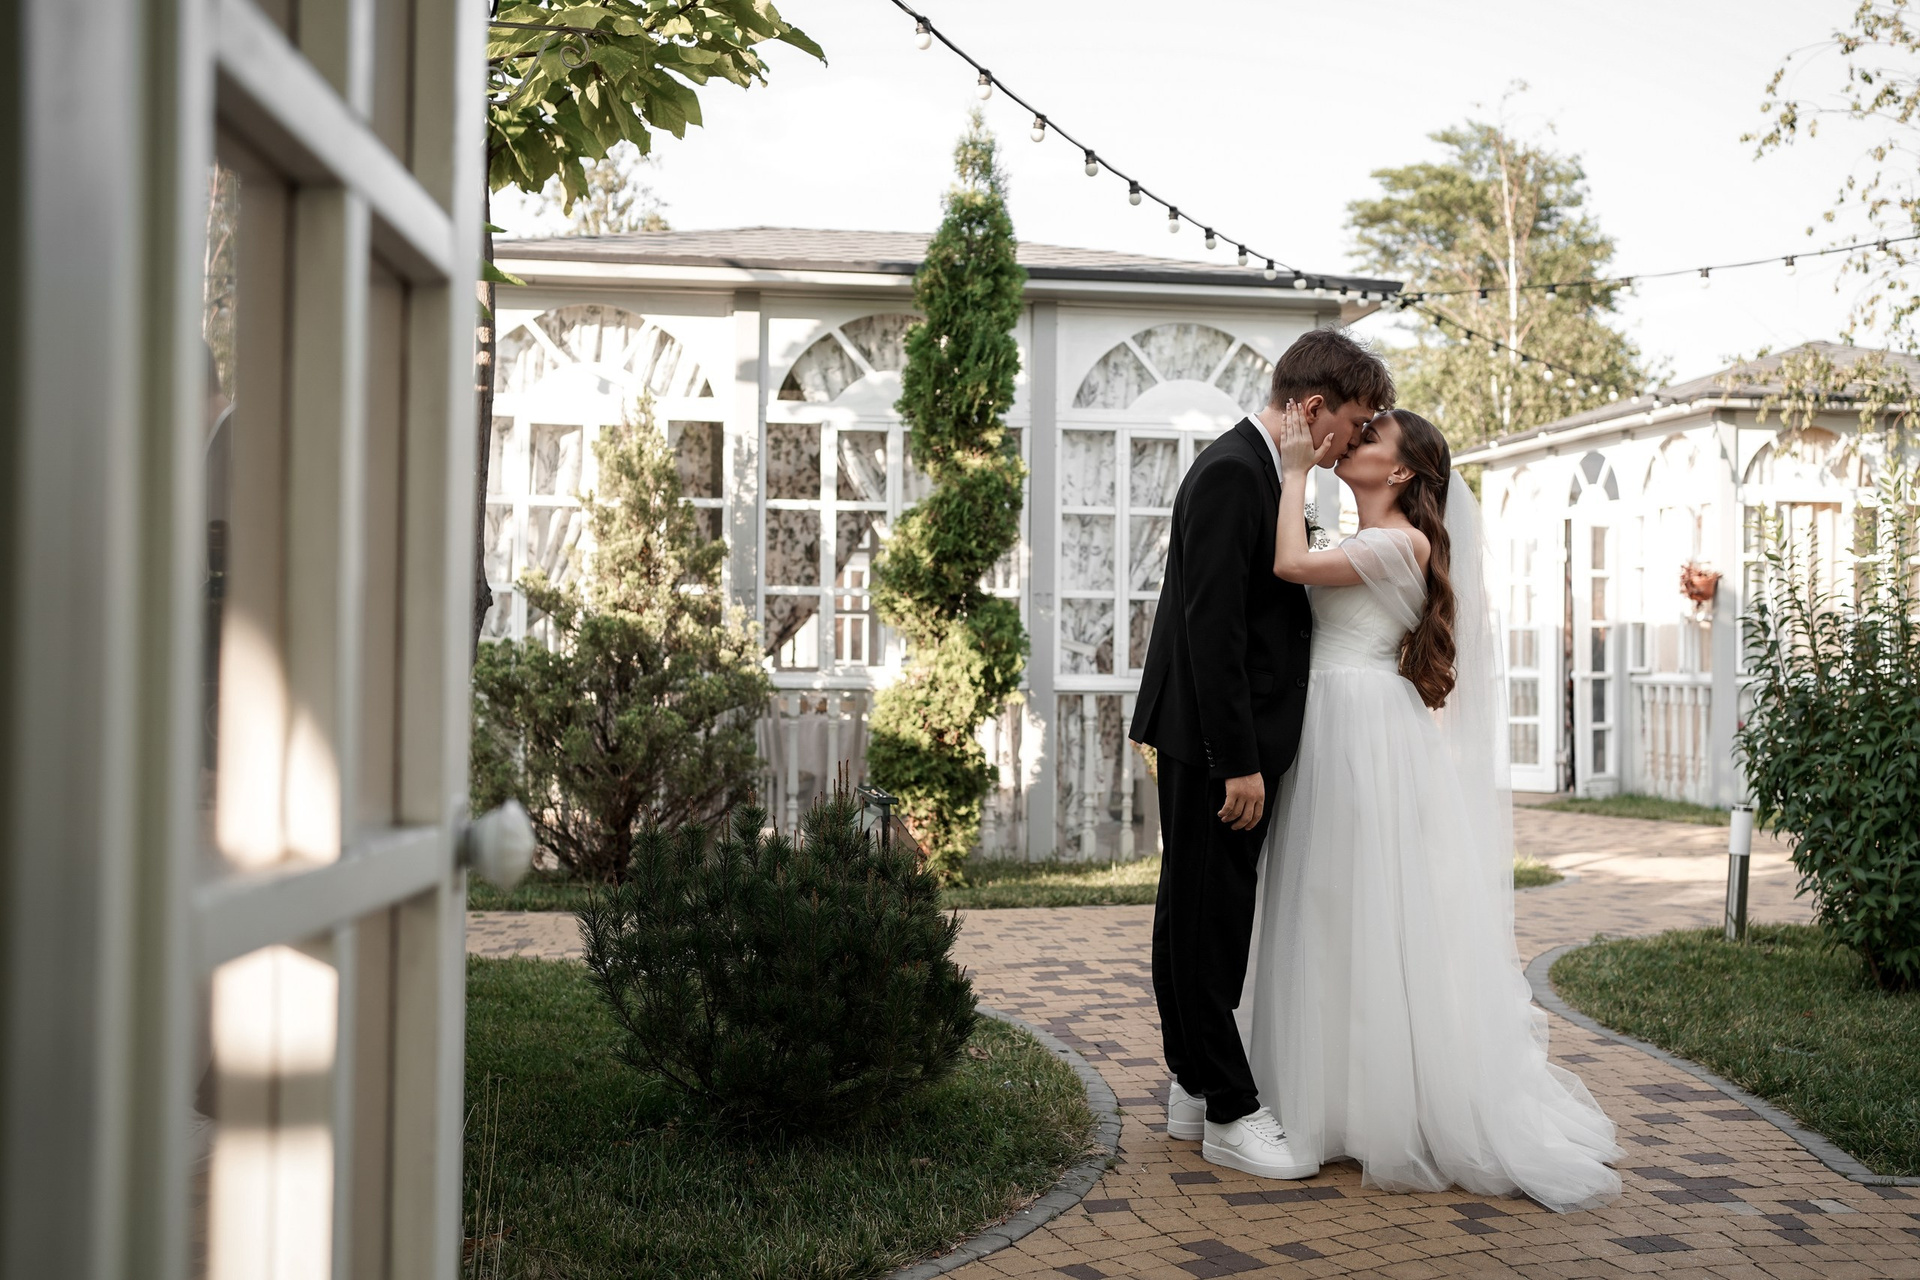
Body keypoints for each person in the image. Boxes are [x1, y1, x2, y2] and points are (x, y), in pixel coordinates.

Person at [1239, 402, 1622, 1211]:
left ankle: (1377, 1105)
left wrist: (1296, 470)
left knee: (1362, 906)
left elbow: (1291, 566)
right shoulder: (1370, 538)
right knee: (1325, 906)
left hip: (1359, 729)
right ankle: (1326, 1096)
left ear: (1403, 470)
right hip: (1336, 721)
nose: (1355, 442)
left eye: (1370, 437)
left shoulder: (1401, 543)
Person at [1129, 328, 1391, 1178]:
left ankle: (1193, 1085)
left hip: (1220, 738)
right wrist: (1236, 759)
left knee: (1198, 912)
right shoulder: (1235, 474)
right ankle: (1231, 1113)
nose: (1355, 440)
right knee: (1211, 922)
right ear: (1311, 408)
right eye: (1354, 423)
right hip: (1216, 744)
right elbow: (1213, 629)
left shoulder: (1268, 473)